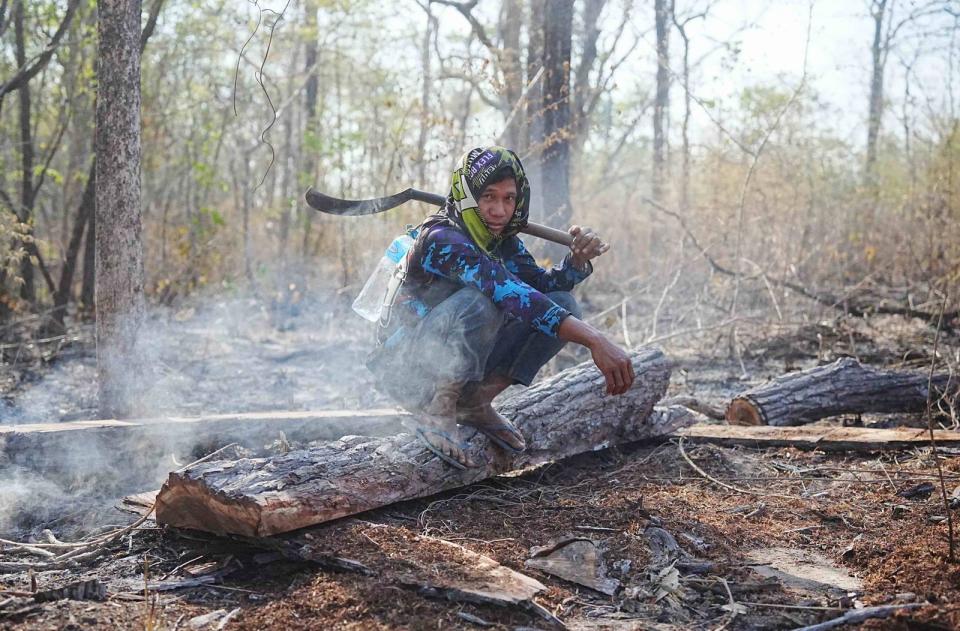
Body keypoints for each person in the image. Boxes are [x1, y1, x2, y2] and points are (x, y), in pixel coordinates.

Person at [367, 146, 635, 469]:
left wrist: (576, 261)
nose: (499, 210)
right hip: (406, 369)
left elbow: (544, 290)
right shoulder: (442, 238)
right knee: (485, 302)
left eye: (509, 199)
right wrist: (595, 339)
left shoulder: (501, 241)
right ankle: (437, 409)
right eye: (489, 197)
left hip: (449, 357)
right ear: (466, 196)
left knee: (564, 305)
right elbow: (509, 293)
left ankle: (473, 402)